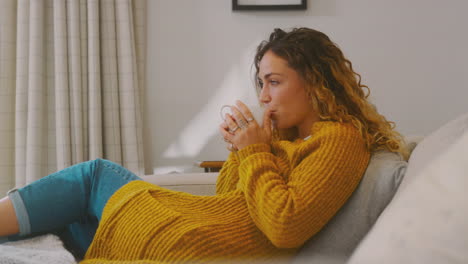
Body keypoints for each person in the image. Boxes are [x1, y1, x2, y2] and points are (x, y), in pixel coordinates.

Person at [0, 27, 408, 263]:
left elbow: (285, 226)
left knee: (94, 176)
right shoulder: (288, 138)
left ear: (316, 82)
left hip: (188, 239)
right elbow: (233, 198)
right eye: (261, 82)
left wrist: (253, 152)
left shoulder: (339, 139)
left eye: (275, 82)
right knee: (63, 225)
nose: (263, 95)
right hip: (194, 231)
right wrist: (242, 152)